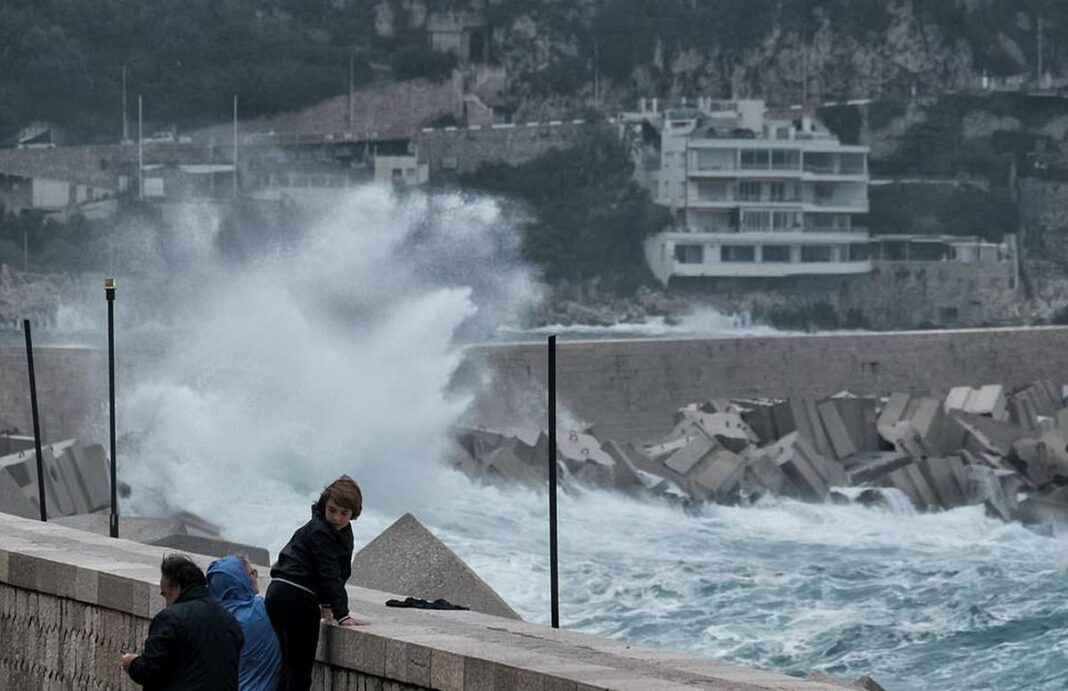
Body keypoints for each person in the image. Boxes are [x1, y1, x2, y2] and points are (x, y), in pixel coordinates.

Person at [265, 475, 368, 691]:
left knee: (286, 665)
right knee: (299, 671)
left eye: (344, 513)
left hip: (278, 592)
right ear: (324, 506)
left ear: (353, 513)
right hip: (297, 597)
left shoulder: (320, 528)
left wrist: (327, 605)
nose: (337, 518)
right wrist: (343, 614)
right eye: (332, 510)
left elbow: (331, 573)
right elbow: (330, 573)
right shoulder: (322, 531)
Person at [121, 554, 245, 691]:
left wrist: (132, 664)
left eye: (165, 595)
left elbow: (150, 669)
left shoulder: (170, 618)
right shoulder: (228, 619)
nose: (166, 603)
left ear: (176, 588)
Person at [207, 555, 282, 691]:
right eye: (252, 573)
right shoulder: (263, 610)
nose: (255, 576)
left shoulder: (211, 618)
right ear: (241, 580)